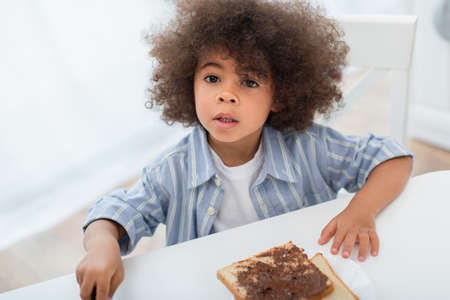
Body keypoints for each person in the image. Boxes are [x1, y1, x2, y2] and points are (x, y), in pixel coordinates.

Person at [76, 0, 413, 299]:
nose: (227, 94)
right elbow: (115, 212)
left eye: (249, 82)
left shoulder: (310, 148)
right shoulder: (173, 169)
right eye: (212, 78)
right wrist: (103, 244)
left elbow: (392, 158)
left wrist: (361, 210)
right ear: (187, 82)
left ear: (279, 95)